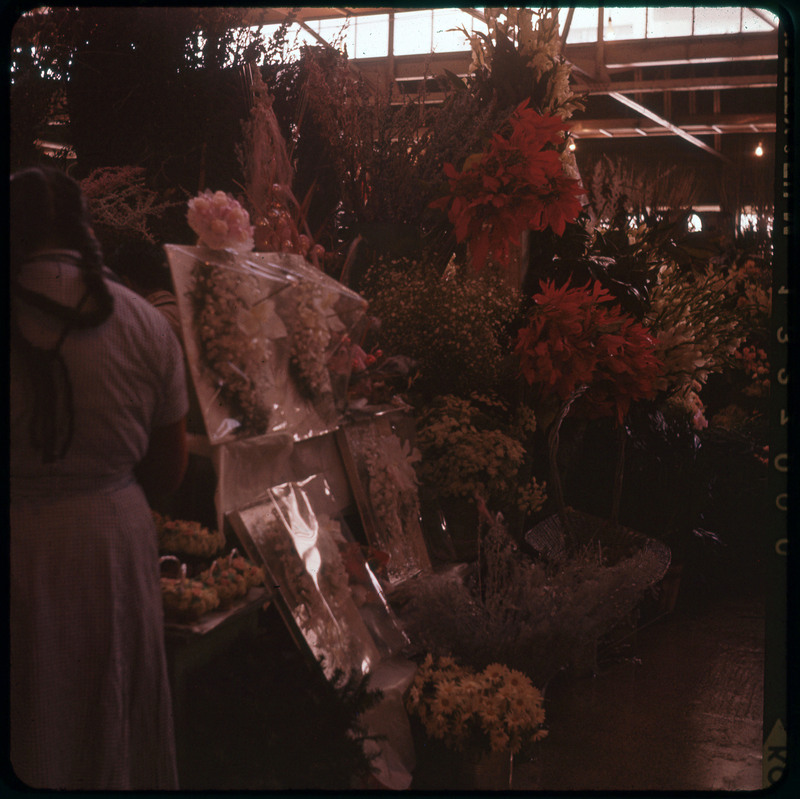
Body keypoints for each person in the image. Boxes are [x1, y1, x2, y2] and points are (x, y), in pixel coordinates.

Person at [9, 166, 189, 790]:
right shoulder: (146, 325)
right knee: (113, 709)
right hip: (114, 543)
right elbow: (170, 468)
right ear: (87, 230)